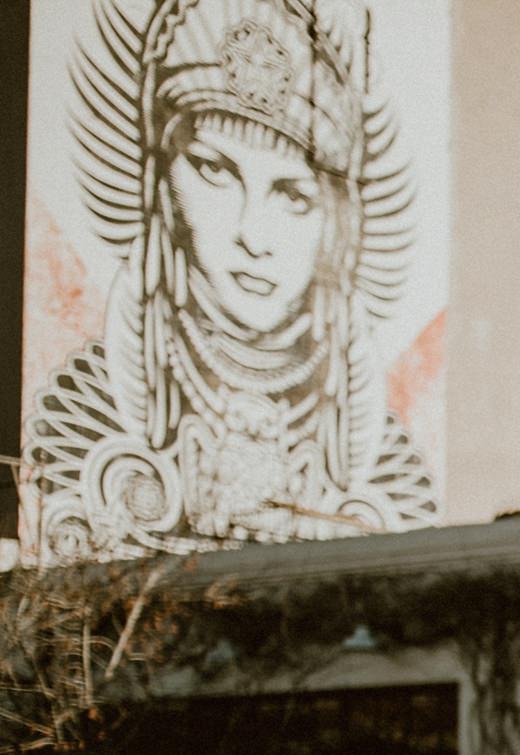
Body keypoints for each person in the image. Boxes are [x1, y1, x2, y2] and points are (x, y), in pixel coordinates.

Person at [25, 0, 438, 561]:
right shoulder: (81, 409)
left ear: (337, 228)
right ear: (159, 182)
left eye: (292, 195)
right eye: (215, 171)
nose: (253, 234)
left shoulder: (386, 466)